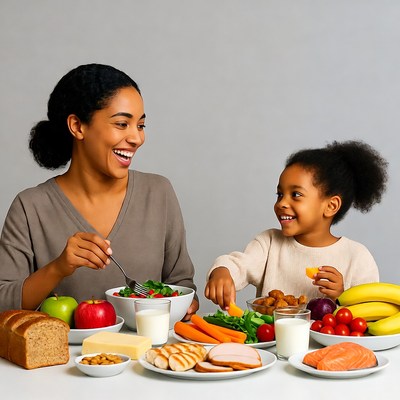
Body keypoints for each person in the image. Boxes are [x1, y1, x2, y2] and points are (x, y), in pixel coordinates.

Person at [0, 63, 199, 319]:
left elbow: (181, 285)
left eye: (140, 125)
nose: (137, 138)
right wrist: (59, 267)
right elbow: (4, 303)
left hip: (146, 357)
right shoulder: (30, 207)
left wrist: (186, 305)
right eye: (121, 124)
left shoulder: (158, 193)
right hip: (62, 359)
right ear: (78, 126)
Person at [205, 140, 388, 310]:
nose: (282, 203)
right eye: (279, 195)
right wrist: (223, 271)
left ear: (331, 206)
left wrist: (342, 296)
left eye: (296, 195)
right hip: (272, 344)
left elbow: (368, 314)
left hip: (331, 345)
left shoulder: (357, 257)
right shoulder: (269, 243)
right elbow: (239, 265)